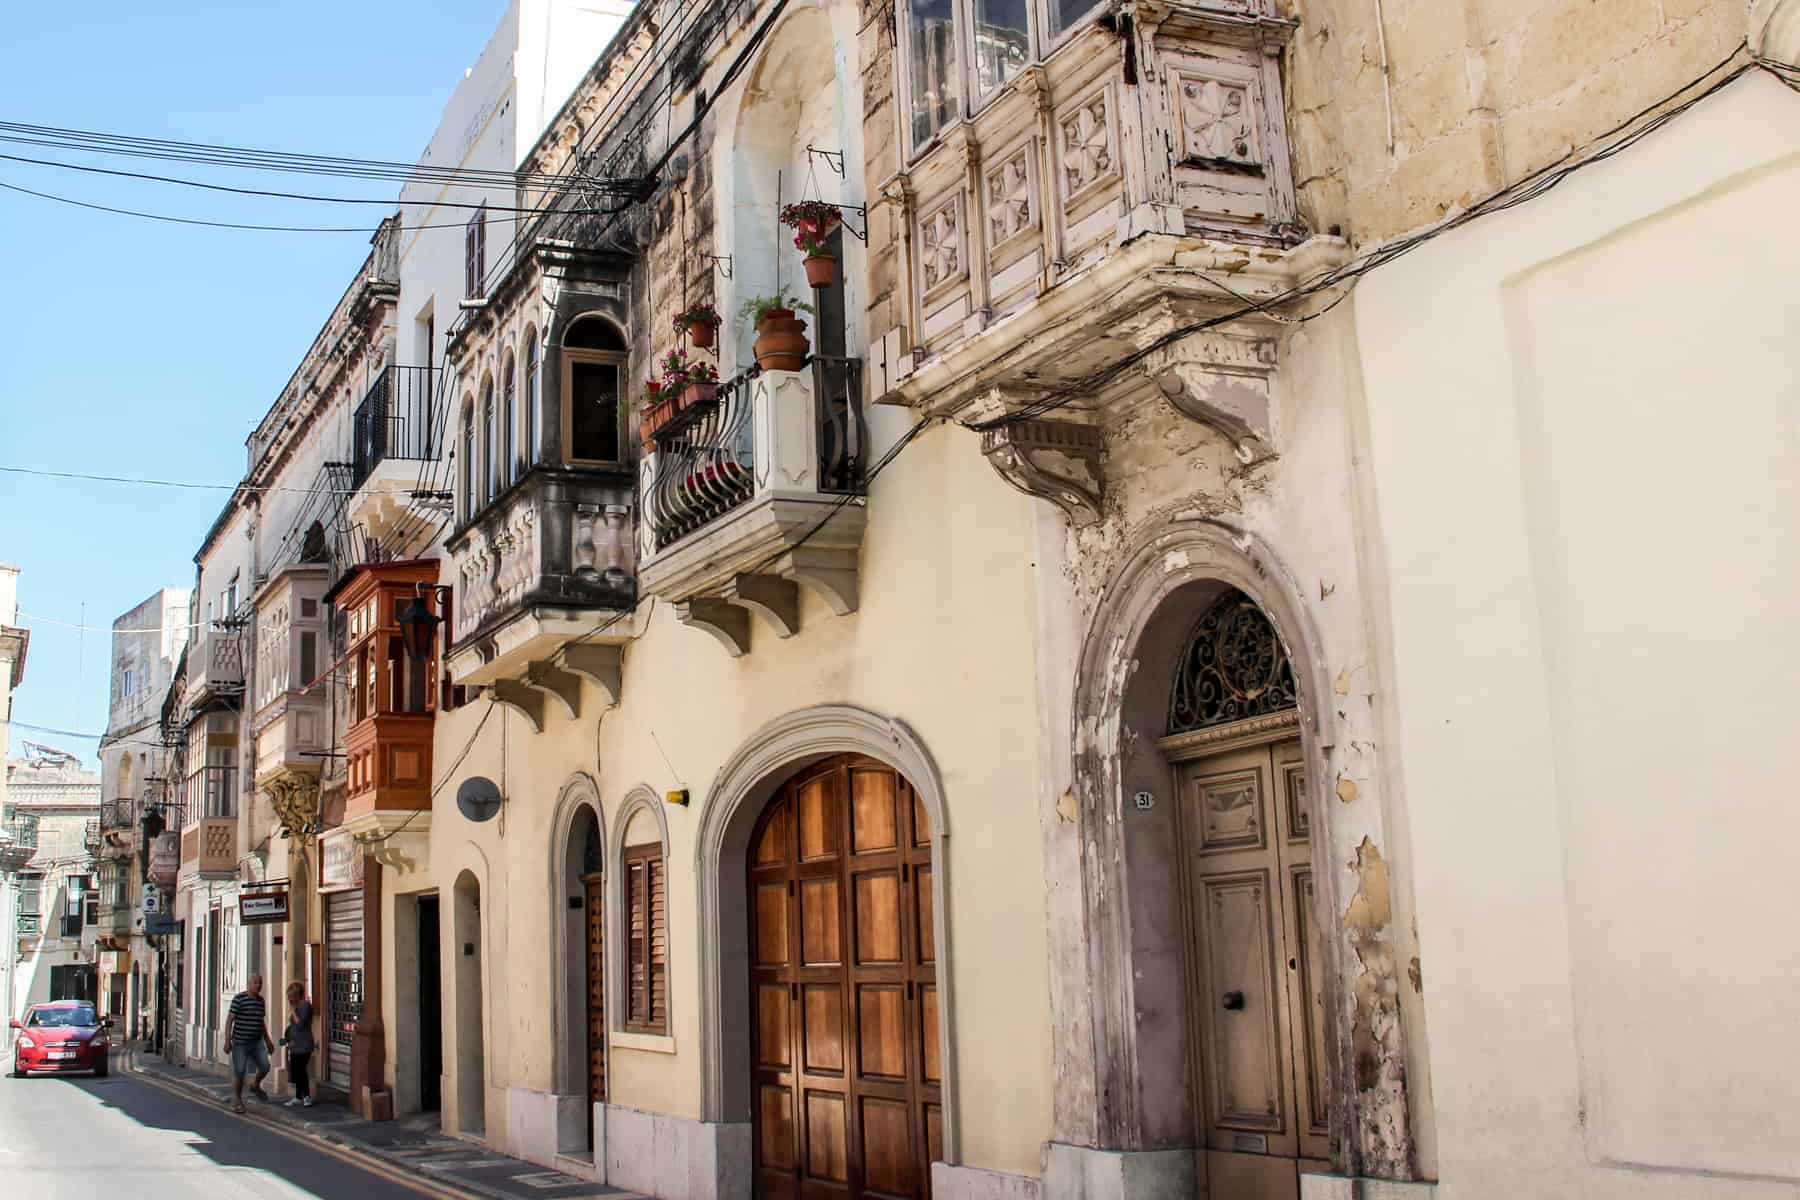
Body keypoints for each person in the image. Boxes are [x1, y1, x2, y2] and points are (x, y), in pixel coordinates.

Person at [223, 974, 275, 1114]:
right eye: (256, 983)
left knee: (265, 1066)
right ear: (249, 984)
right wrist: (227, 1040)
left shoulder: (261, 1001)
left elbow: (261, 1022)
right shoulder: (239, 999)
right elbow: (229, 1020)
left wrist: (268, 1040)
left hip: (256, 1041)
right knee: (239, 1071)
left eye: (260, 983)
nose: (258, 985)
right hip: (240, 1042)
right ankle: (237, 1100)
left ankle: (255, 1084)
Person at [280, 980, 315, 1108]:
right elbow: (293, 1026)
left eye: (290, 996)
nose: (289, 999)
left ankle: (306, 1096)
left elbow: (300, 1025)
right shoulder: (296, 1007)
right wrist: (287, 1040)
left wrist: (293, 1011)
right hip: (295, 1045)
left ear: (297, 995)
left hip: (304, 1045)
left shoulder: (305, 1006)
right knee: (296, 1070)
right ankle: (298, 1096)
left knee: (301, 1070)